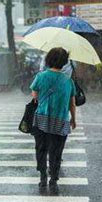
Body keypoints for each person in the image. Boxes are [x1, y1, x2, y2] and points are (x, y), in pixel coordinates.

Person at [30, 47, 77, 192]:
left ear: (48, 60)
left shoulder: (41, 76)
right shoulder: (68, 81)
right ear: (64, 62)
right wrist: (73, 119)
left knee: (41, 149)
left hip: (42, 119)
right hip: (61, 120)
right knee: (56, 151)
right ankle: (54, 180)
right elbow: (72, 103)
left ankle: (43, 177)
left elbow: (34, 96)